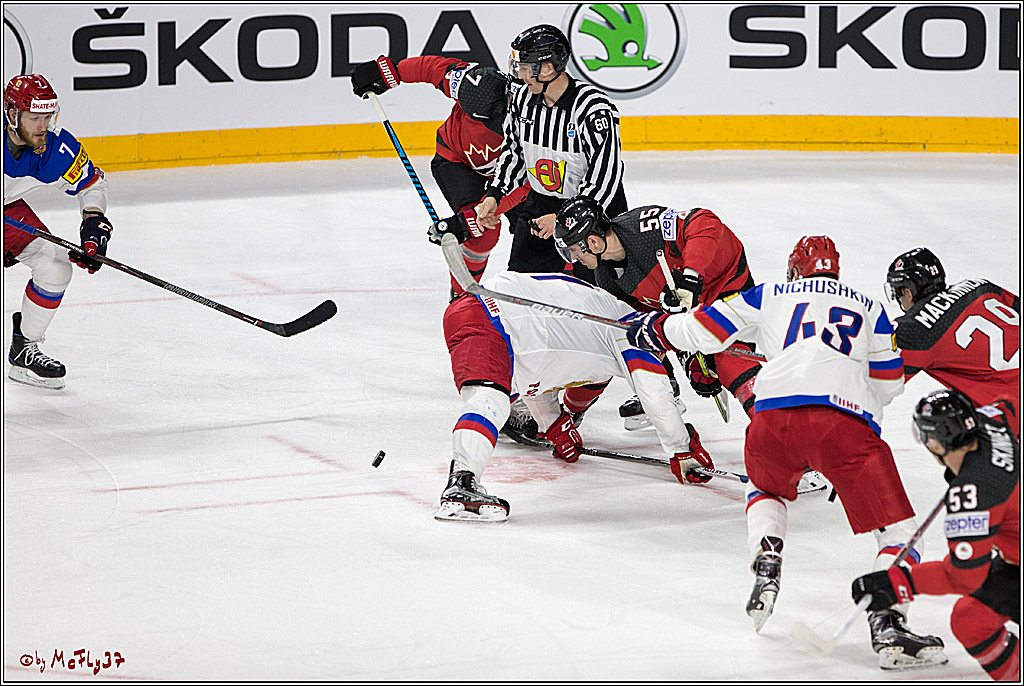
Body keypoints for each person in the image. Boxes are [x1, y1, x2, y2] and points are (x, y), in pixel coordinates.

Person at [627, 236, 948, 670]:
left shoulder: (770, 294)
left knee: (765, 489)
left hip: (772, 419)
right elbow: (890, 385)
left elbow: (701, 330)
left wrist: (655, 328)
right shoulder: (869, 307)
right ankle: (888, 624)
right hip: (845, 427)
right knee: (901, 532)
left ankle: (767, 557)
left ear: (795, 270)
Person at [437, 271, 715, 522]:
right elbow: (655, 395)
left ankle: (463, 480)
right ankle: (462, 482)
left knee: (491, 398)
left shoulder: (602, 316)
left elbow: (542, 368)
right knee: (490, 400)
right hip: (494, 318)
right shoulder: (634, 329)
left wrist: (554, 424)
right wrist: (682, 449)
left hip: (485, 317)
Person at [553, 195, 761, 429]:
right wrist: (687, 356)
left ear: (593, 242)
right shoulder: (607, 277)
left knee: (730, 360)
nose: (573, 259)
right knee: (616, 342)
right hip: (693, 310)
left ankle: (779, 424)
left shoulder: (645, 226)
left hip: (726, 284)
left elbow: (705, 222)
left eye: (573, 250)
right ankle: (569, 412)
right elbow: (647, 324)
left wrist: (690, 277)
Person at [853, 389, 1019, 681]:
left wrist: (897, 582)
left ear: (935, 442)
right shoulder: (994, 419)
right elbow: (1013, 402)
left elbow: (965, 577)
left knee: (971, 622)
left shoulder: (973, 494)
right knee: (972, 616)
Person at [350, 55, 529, 297]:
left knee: (540, 232)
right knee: (482, 233)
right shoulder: (475, 83)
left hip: (511, 178)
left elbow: (531, 180)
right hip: (455, 162)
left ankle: (560, 289)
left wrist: (485, 211)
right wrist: (391, 71)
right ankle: (462, 297)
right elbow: (433, 69)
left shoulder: (540, 122)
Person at [474, 24, 627, 281]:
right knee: (521, 283)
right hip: (541, 203)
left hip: (593, 212)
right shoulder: (521, 100)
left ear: (547, 68)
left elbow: (605, 176)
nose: (520, 75)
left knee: (601, 292)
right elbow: (514, 153)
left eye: (526, 68)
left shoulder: (592, 108)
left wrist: (563, 219)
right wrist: (494, 195)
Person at [4, 74, 112, 390]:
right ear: (12, 114)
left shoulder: (56, 147)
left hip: (7, 208)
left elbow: (92, 183)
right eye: (34, 118)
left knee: (54, 265)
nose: (42, 126)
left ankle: (25, 349)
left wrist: (93, 222)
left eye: (47, 117)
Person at [886, 247, 1020, 437]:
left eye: (898, 292)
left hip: (1013, 409)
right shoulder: (981, 286)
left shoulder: (914, 328)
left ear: (908, 292)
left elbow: (881, 382)